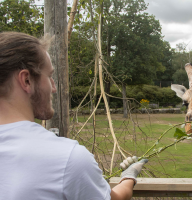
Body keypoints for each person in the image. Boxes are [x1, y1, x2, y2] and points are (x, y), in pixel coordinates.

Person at [0, 32, 148, 200]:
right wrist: (129, 176)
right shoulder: (67, 159)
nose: (54, 88)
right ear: (26, 80)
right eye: (49, 76)